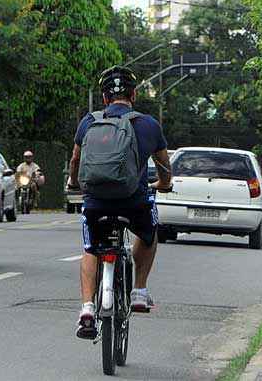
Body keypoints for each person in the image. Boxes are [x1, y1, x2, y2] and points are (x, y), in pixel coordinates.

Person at [67, 66, 172, 340]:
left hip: (96, 203)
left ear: (104, 98)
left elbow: (75, 160)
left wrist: (74, 183)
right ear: (134, 94)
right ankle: (139, 290)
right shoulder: (148, 124)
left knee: (91, 248)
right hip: (133, 202)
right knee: (149, 234)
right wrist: (164, 184)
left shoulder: (88, 121)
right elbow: (164, 166)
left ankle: (88, 308)